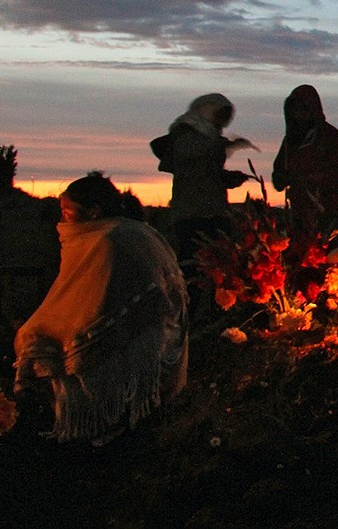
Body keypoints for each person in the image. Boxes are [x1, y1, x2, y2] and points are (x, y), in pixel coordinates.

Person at [13, 173, 188, 443]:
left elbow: (93, 310)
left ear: (93, 212)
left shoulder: (107, 241)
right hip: (164, 340)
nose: (62, 221)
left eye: (66, 212)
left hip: (141, 348)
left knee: (36, 342)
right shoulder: (134, 230)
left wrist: (37, 331)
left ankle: (62, 427)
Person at [153, 93, 255, 257]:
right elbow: (192, 158)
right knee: (196, 263)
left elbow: (206, 172)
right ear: (208, 111)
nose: (222, 122)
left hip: (214, 212)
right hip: (192, 215)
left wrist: (227, 178)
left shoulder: (209, 136)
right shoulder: (185, 134)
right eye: (220, 116)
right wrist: (225, 145)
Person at [272, 84, 338, 253]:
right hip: (297, 214)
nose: (298, 115)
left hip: (326, 211)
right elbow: (279, 169)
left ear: (312, 110)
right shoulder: (290, 140)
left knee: (327, 258)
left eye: (302, 110)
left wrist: (314, 179)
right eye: (294, 111)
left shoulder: (330, 136)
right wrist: (281, 178)